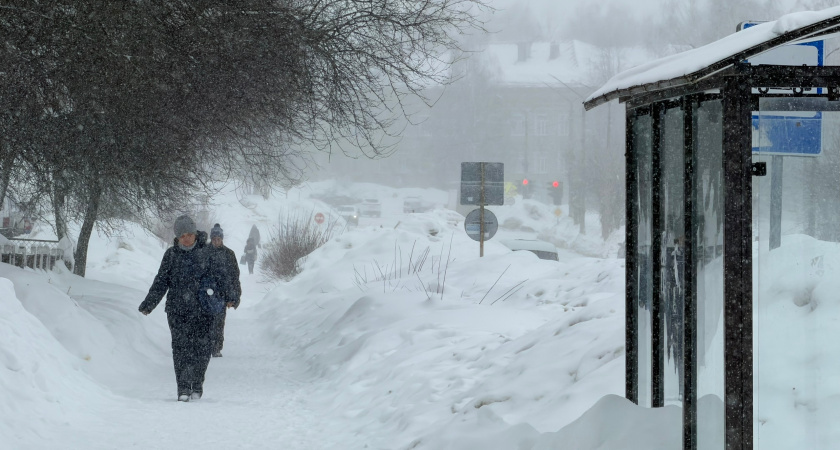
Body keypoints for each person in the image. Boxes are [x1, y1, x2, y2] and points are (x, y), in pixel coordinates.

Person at [138, 215, 213, 402]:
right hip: (177, 310)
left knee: (202, 349)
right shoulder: (171, 255)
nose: (186, 238)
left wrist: (230, 296)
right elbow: (161, 281)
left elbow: (221, 277)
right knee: (180, 349)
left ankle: (196, 383)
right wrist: (149, 303)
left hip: (203, 310)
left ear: (195, 234)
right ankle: (183, 389)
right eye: (182, 235)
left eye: (189, 234)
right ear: (177, 237)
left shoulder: (207, 253)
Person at [207, 223, 241, 358]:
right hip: (206, 294)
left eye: (218, 239)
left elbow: (234, 277)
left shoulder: (229, 254)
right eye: (214, 239)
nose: (216, 241)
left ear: (222, 239)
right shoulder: (204, 252)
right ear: (211, 238)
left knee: (219, 321)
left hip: (222, 294)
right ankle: (205, 346)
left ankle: (216, 348)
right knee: (205, 321)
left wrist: (233, 298)